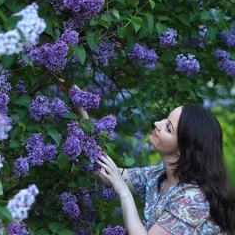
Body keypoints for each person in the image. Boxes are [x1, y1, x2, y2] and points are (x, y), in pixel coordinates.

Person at [73, 100, 235, 234]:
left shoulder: (193, 198)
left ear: (183, 149)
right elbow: (106, 173)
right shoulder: (159, 175)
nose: (157, 123)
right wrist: (83, 115)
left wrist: (124, 192)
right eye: (165, 119)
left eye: (168, 127)